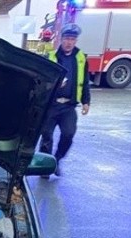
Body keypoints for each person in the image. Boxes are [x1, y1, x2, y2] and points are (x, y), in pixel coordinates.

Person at [38, 23, 90, 178]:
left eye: (72, 39)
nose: (69, 42)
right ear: (61, 39)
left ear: (76, 41)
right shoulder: (52, 57)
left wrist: (86, 101)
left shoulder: (80, 59)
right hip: (52, 105)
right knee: (46, 135)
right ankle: (45, 167)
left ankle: (56, 160)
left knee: (68, 134)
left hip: (68, 106)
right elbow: (43, 80)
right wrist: (54, 84)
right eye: (67, 38)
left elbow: (85, 81)